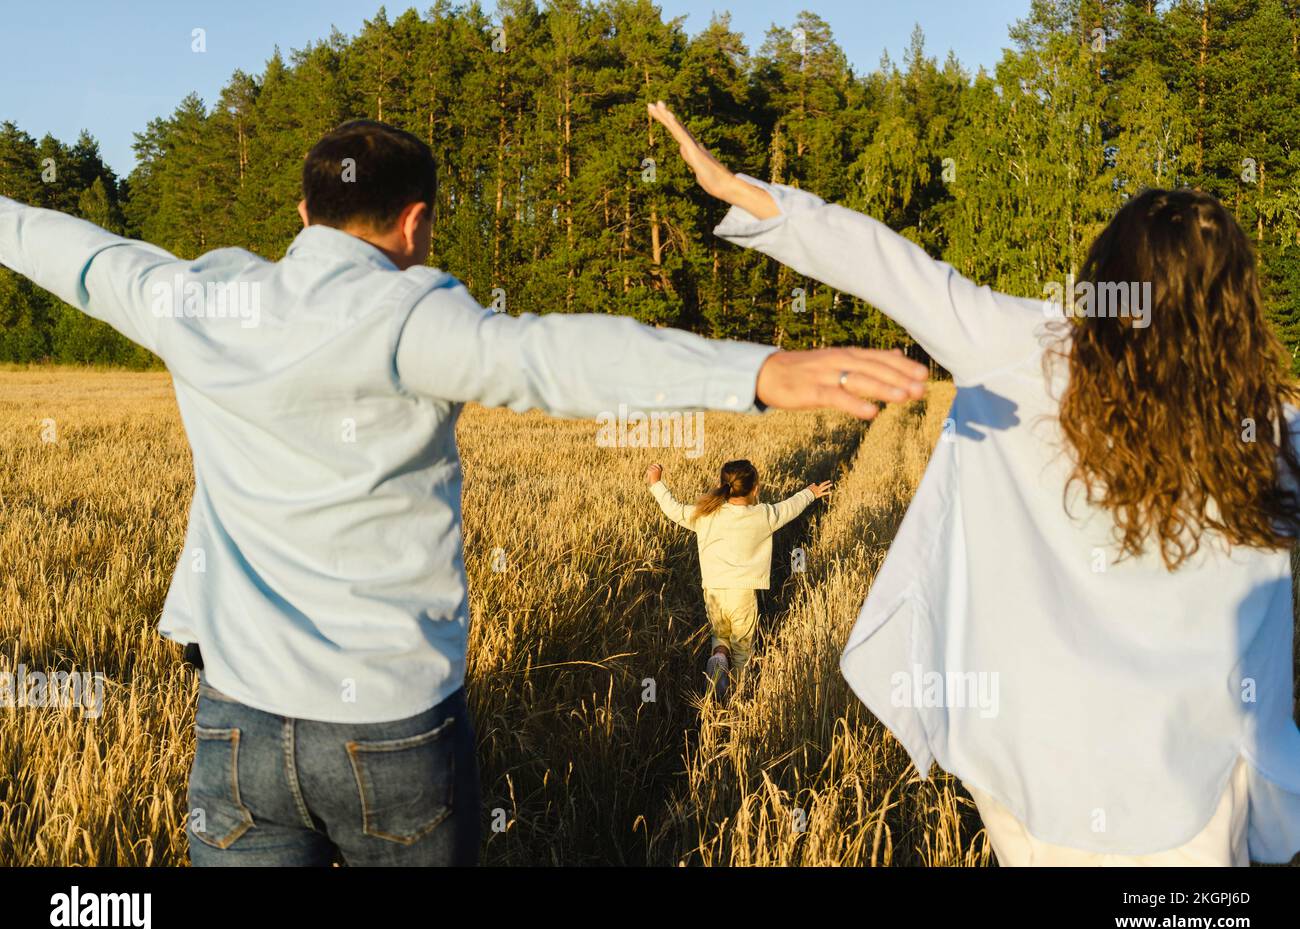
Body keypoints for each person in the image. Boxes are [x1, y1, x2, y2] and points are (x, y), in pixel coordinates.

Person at [0, 119, 927, 866]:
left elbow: (75, 251)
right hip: (390, 734)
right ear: (414, 223)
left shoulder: (205, 299)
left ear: (302, 212)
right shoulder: (408, 318)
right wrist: (756, 371)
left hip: (237, 723)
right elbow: (553, 357)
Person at [649, 99, 1300, 866]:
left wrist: (744, 192)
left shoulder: (1025, 347)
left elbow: (886, 264)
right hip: (1192, 798)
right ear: (1235, 304)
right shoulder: (1274, 433)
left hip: (1032, 773)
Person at [645, 459, 831, 698]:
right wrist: (810, 493)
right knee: (742, 649)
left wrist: (656, 483)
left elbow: (674, 510)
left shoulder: (705, 514)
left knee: (720, 635)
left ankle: (719, 659)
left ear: (723, 485)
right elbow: (789, 507)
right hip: (741, 594)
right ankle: (737, 700)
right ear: (755, 489)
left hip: (713, 591)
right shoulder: (763, 515)